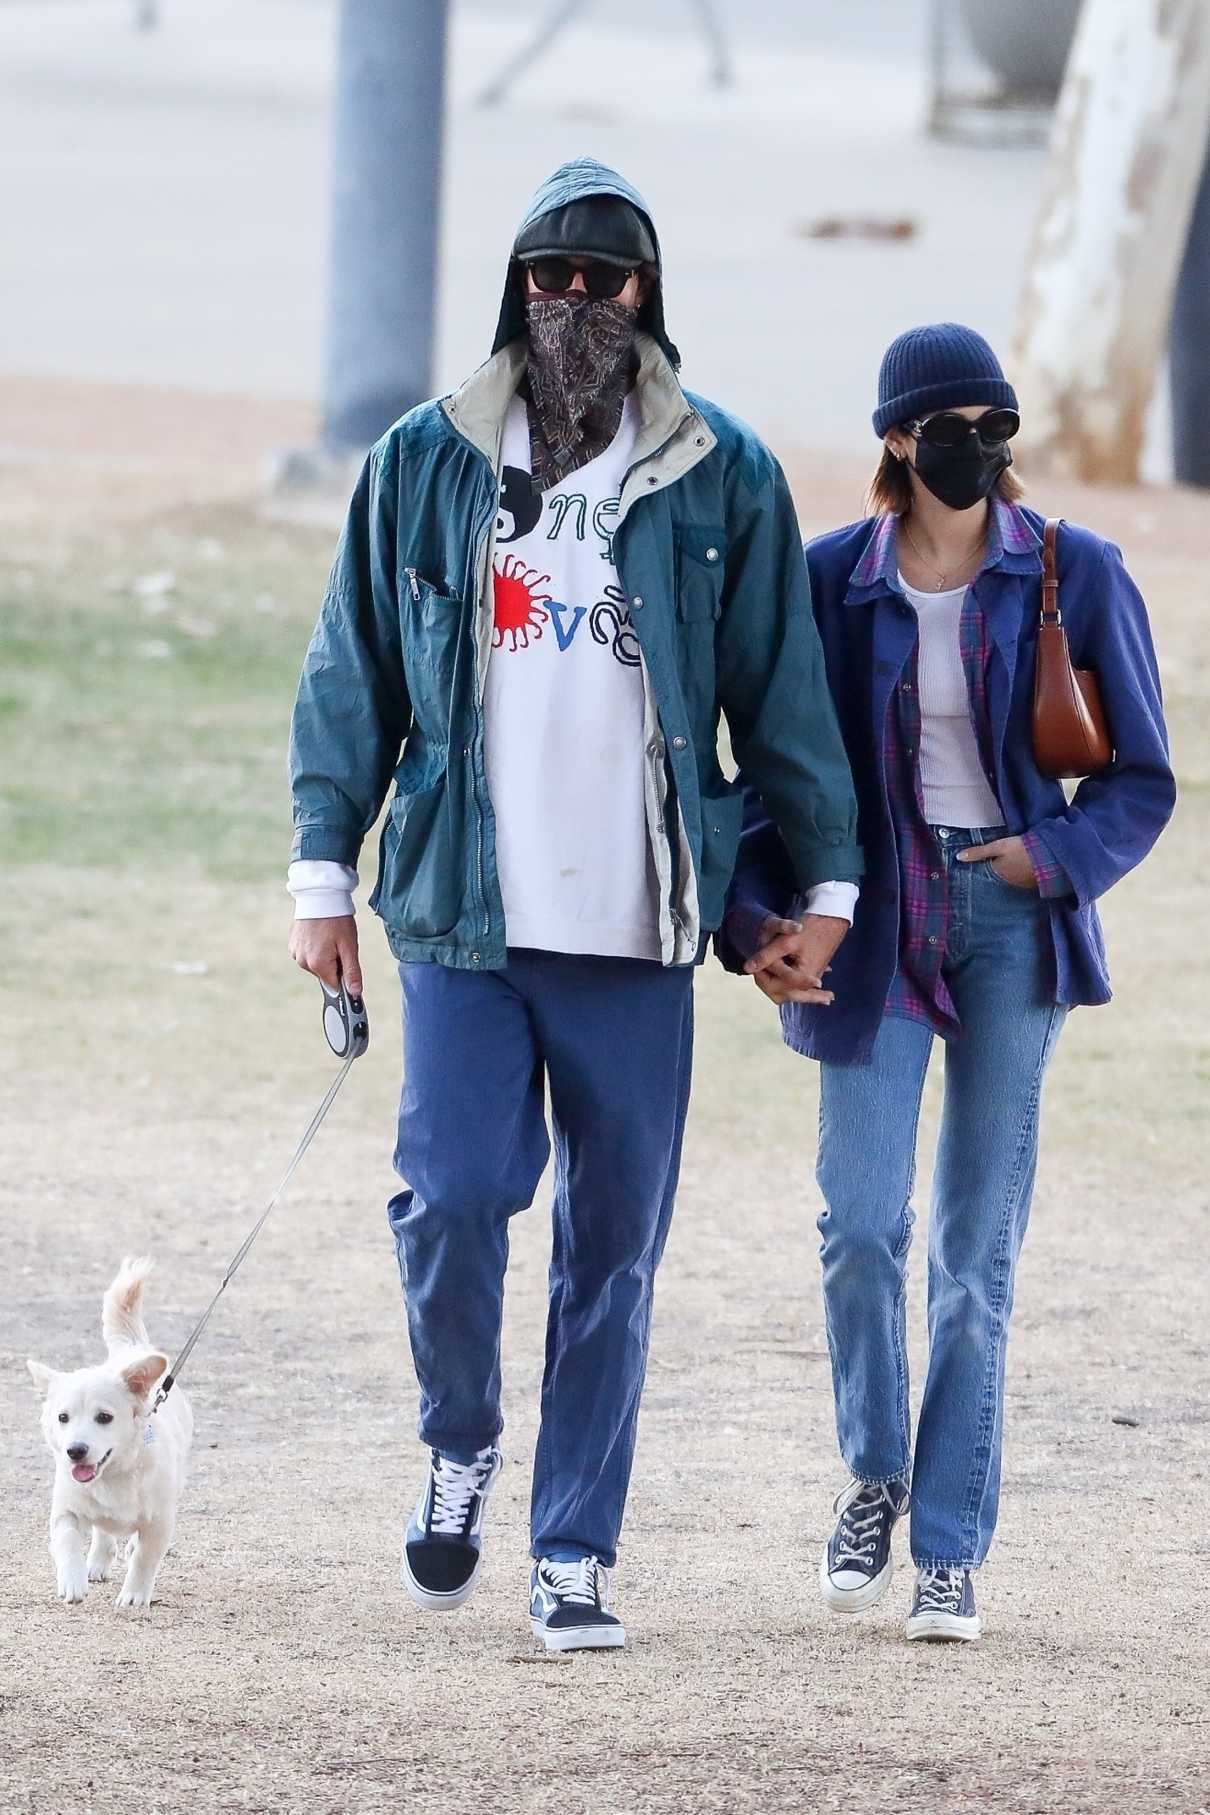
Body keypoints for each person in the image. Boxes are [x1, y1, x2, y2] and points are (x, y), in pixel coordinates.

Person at [286, 158, 863, 1651]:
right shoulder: (424, 459)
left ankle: (572, 1551)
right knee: (456, 1198)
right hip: (464, 921)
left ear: (647, 295)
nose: (577, 305)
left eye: (605, 279)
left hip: (635, 929)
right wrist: (319, 878)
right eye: (551, 275)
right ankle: (460, 1436)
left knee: (613, 1251)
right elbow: (349, 677)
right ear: (515, 287)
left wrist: (829, 887)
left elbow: (778, 697)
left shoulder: (716, 473)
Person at [723, 323, 1175, 1643]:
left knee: (973, 1253)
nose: (976, 446)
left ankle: (948, 1548)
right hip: (870, 920)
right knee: (859, 1227)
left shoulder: (1069, 572)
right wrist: (757, 921)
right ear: (895, 439)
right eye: (949, 423)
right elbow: (770, 778)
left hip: (1007, 921)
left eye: (995, 421)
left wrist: (1051, 858)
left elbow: (1138, 779)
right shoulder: (825, 584)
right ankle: (875, 1471)